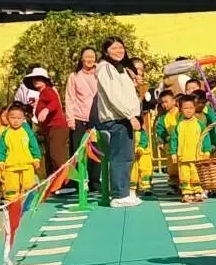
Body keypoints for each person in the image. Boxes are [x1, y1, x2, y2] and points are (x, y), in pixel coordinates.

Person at [94, 36, 143, 207]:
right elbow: (113, 95)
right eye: (114, 48)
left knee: (126, 156)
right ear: (106, 51)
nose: (118, 51)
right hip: (117, 119)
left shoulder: (119, 67)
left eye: (120, 47)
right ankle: (119, 195)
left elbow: (122, 91)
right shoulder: (105, 67)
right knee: (120, 157)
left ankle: (124, 191)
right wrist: (130, 115)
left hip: (123, 118)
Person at [25, 67, 70, 186]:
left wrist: (46, 109)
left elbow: (55, 102)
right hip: (49, 129)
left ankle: (66, 182)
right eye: (34, 79)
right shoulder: (42, 94)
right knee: (51, 157)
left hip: (57, 127)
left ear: (45, 80)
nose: (36, 81)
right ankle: (56, 183)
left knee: (57, 155)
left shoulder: (47, 91)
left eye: (39, 79)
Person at [65, 47, 100, 192]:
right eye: (87, 56)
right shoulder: (74, 76)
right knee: (78, 152)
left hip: (97, 118)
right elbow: (69, 98)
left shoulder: (100, 74)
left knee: (96, 151)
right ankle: (78, 182)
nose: (90, 59)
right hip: (79, 118)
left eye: (92, 56)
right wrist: (70, 119)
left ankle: (95, 182)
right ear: (81, 59)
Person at [169, 95, 213, 203]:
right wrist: (173, 153)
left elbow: (205, 138)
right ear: (180, 109)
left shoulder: (200, 124)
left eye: (191, 108)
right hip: (183, 157)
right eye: (185, 108)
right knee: (184, 175)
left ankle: (197, 191)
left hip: (197, 156)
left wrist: (207, 151)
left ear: (195, 108)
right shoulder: (179, 125)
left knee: (196, 174)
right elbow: (174, 140)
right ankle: (186, 192)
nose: (188, 111)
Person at [0, 102, 41, 201]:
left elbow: (34, 146)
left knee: (28, 186)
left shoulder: (27, 132)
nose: (16, 121)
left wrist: (36, 158)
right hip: (11, 167)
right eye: (12, 118)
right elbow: (0, 148)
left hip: (27, 165)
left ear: (23, 118)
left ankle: (28, 201)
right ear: (8, 118)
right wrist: (1, 160)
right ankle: (12, 202)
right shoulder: (5, 133)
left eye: (19, 118)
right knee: (11, 187)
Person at [154, 90, 180, 193]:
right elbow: (160, 131)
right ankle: (174, 185)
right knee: (172, 166)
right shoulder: (163, 118)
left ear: (173, 101)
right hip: (170, 145)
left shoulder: (180, 113)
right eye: (162, 102)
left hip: (182, 143)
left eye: (166, 101)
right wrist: (164, 140)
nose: (164, 105)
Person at [130, 115, 153, 196]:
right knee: (133, 171)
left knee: (145, 169)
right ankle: (133, 186)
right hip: (133, 154)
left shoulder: (142, 133)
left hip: (143, 154)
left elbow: (144, 141)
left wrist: (141, 148)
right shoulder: (129, 133)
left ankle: (146, 186)